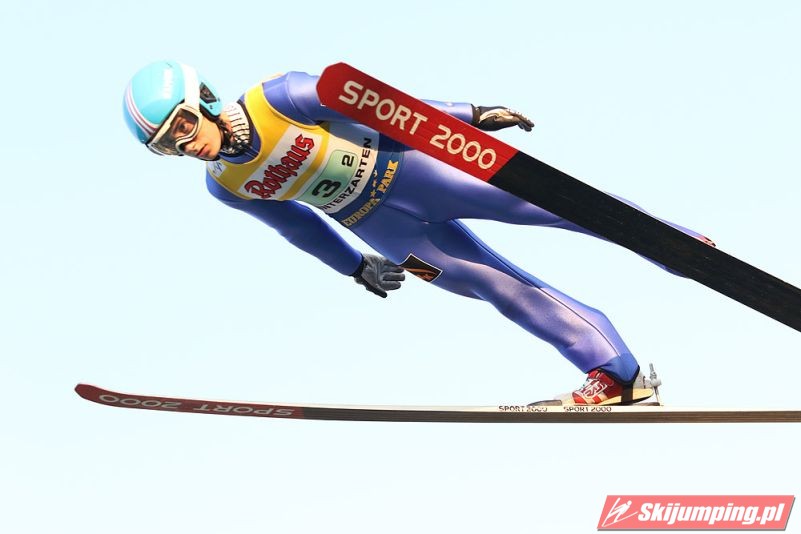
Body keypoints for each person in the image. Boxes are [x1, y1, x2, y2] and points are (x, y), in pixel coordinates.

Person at [123, 60, 713, 406]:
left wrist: (470, 115)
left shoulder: (278, 98)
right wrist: (354, 266)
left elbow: (386, 107)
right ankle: (616, 374)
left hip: (419, 173)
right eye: (166, 146)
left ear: (202, 99)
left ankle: (678, 245)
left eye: (181, 126)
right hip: (383, 228)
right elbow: (295, 226)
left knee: (561, 207)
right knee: (499, 290)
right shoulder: (226, 185)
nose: (184, 144)